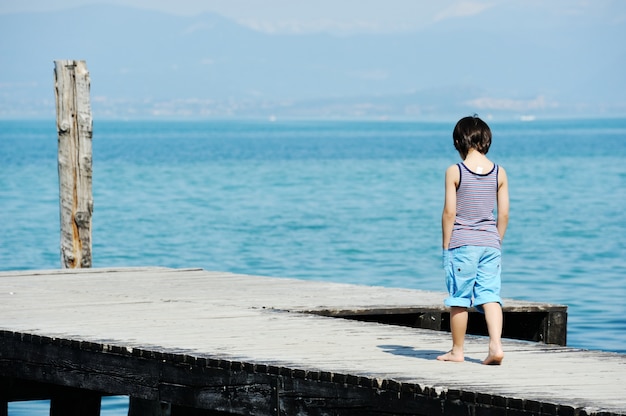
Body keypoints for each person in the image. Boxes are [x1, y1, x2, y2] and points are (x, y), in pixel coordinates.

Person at [436, 115, 509, 365]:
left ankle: (457, 351)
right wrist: (495, 240)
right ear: (487, 140)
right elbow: (505, 213)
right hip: (491, 242)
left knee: (459, 298)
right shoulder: (499, 172)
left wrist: (447, 245)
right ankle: (496, 346)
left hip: (462, 242)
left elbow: (449, 213)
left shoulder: (455, 171)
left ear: (458, 140)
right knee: (490, 296)